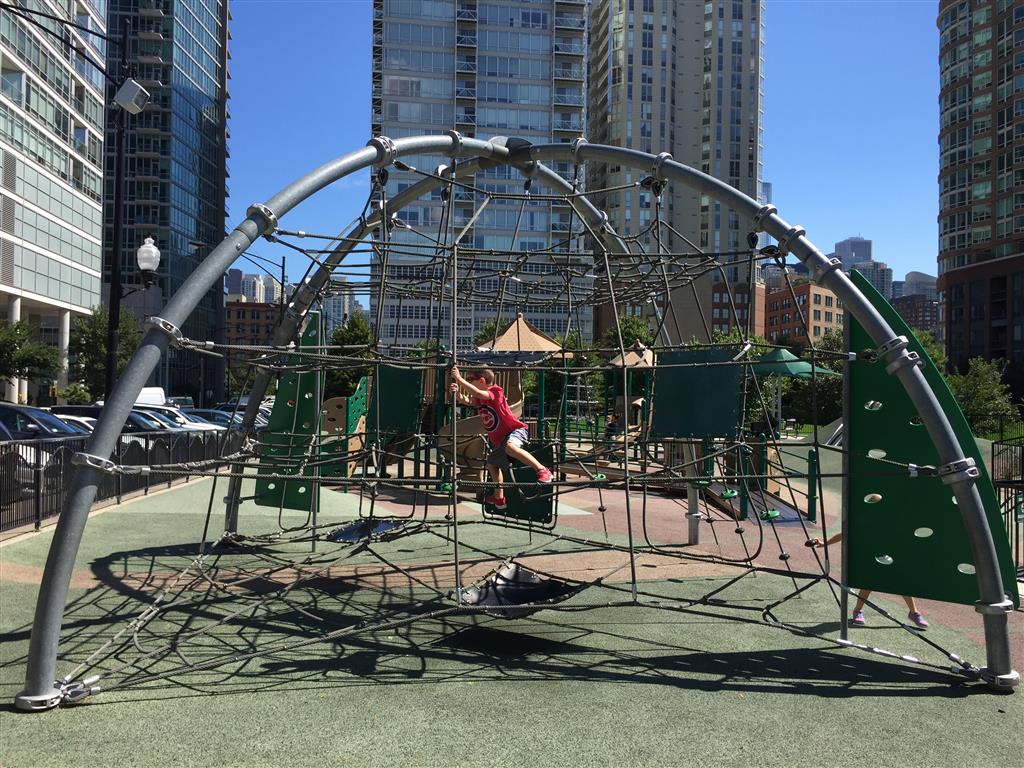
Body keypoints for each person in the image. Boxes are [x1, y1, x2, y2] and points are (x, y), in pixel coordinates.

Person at [450, 366, 552, 510]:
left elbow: (477, 393)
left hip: (515, 430)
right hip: (502, 439)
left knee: (510, 447)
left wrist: (459, 379)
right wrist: (458, 395)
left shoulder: (495, 391)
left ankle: (542, 470)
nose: (468, 381)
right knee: (492, 464)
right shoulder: (480, 399)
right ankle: (499, 498)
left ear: (482, 380)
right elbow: (470, 401)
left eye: (470, 379)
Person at [811, 532, 929, 629]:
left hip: (890, 555)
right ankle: (858, 611)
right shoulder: (866, 523)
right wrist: (825, 543)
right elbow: (845, 533)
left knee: (901, 583)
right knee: (868, 583)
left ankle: (914, 612)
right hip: (872, 555)